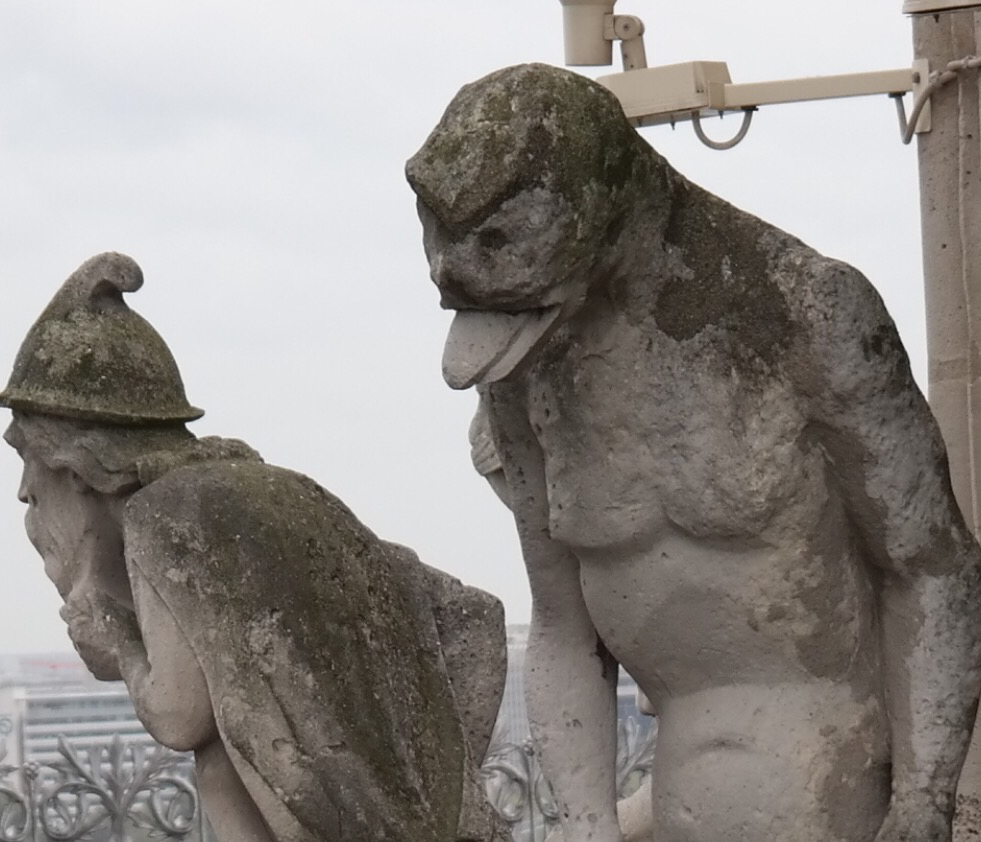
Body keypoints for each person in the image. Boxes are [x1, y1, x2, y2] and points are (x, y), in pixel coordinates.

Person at [407, 63, 981, 842]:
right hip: (673, 787)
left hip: (831, 784)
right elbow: (562, 624)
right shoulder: (526, 358)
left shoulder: (803, 313)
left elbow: (931, 566)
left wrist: (922, 801)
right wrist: (585, 827)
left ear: (599, 210)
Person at [0, 251, 510, 842]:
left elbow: (178, 714)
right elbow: (471, 618)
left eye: (27, 458)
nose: (24, 490)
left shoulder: (163, 516)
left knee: (214, 753)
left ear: (72, 463)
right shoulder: (274, 491)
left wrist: (120, 646)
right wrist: (444, 790)